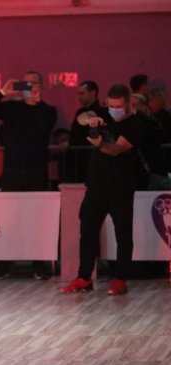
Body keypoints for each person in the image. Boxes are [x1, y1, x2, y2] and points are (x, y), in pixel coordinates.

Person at [61, 84, 144, 296]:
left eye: (119, 106)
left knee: (123, 233)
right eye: (111, 106)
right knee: (88, 231)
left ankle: (120, 279)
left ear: (127, 104)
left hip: (121, 187)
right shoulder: (102, 114)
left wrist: (99, 145)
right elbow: (82, 117)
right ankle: (84, 277)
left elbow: (117, 149)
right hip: (96, 186)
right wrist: (91, 120)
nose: (114, 110)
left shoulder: (135, 125)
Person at [0, 71, 57, 280]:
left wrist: (37, 103)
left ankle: (38, 264)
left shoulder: (48, 111)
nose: (30, 86)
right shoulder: (12, 108)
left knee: (36, 219)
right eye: (26, 83)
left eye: (34, 83)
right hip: (12, 170)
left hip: (36, 170)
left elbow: (42, 129)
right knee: (9, 218)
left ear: (42, 87)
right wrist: (2, 92)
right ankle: (5, 264)